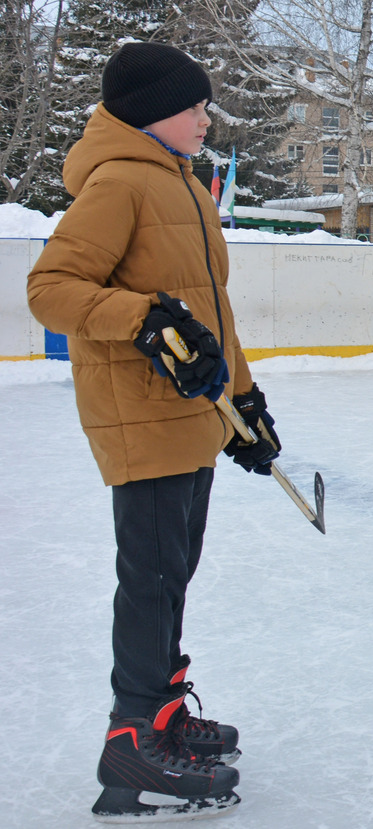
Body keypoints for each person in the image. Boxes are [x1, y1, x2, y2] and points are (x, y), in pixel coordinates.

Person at [26, 42, 282, 821]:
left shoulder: (183, 184)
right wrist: (141, 320)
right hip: (141, 417)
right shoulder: (118, 184)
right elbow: (51, 290)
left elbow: (211, 314)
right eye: (195, 105)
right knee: (151, 578)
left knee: (172, 570)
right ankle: (132, 738)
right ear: (152, 113)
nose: (208, 116)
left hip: (188, 417)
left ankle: (162, 717)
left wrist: (244, 403)